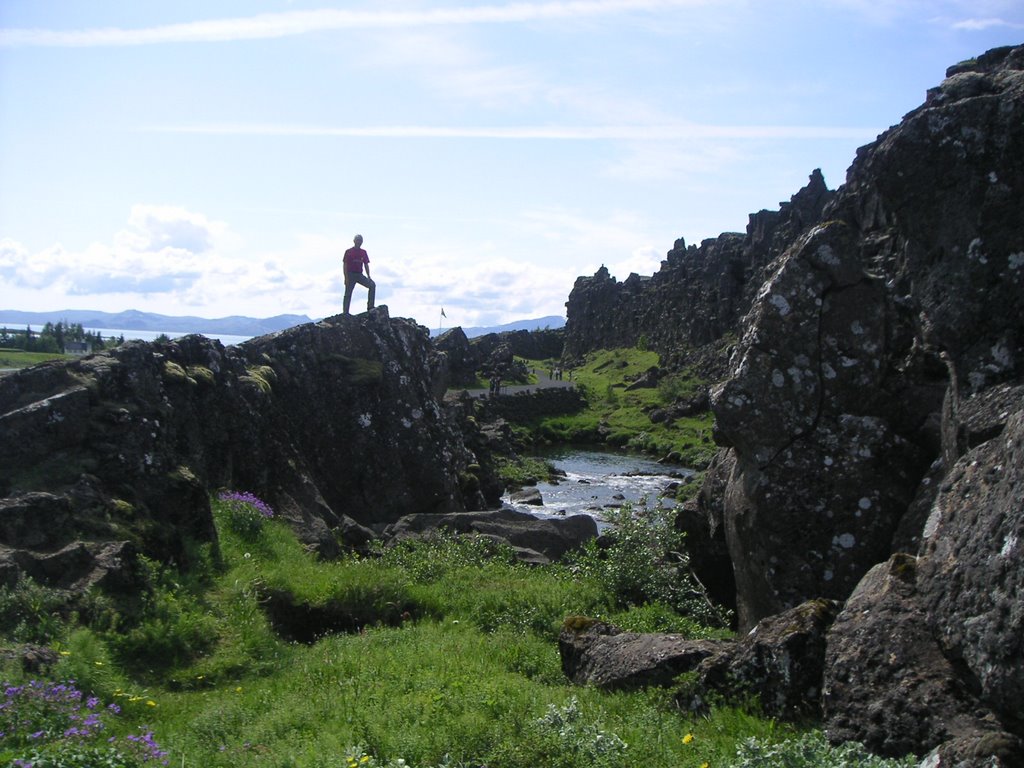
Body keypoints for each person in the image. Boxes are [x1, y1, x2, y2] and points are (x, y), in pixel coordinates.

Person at [343, 234, 376, 314]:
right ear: (354, 241)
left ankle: (370, 306)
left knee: (372, 285)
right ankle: (345, 312)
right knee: (348, 293)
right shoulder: (349, 252)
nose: (359, 242)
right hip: (350, 274)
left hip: (359, 275)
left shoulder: (363, 252)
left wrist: (368, 276)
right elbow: (345, 265)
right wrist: (346, 277)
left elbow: (366, 264)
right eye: (358, 240)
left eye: (360, 241)